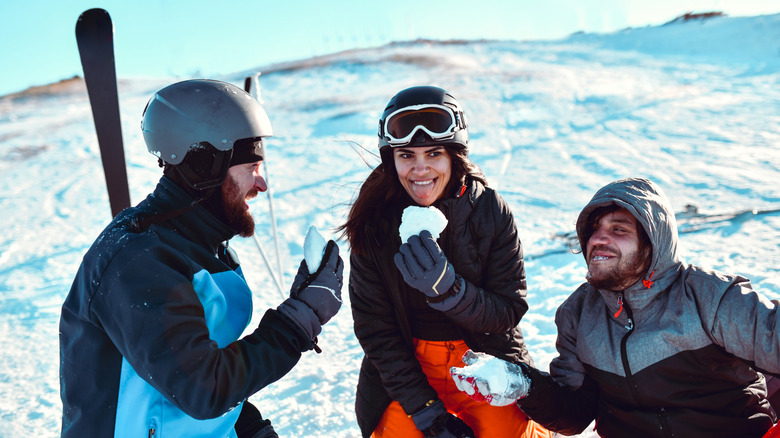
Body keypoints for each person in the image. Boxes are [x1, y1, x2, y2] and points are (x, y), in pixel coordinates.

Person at [59, 79, 344, 438]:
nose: (261, 184)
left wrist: (248, 428)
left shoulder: (204, 249)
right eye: (251, 168)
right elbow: (201, 387)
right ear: (204, 167)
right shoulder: (139, 261)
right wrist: (299, 319)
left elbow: (201, 367)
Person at [451, 177, 780, 437]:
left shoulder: (709, 297)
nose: (597, 239)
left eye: (618, 229)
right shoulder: (579, 314)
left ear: (653, 243)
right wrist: (524, 384)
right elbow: (574, 414)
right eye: (593, 230)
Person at [339, 85, 551, 438]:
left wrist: (451, 292)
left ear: (454, 155)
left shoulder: (489, 211)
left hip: (484, 358)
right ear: (392, 160)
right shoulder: (374, 223)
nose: (420, 169)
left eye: (434, 153)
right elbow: (376, 331)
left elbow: (508, 311)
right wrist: (427, 414)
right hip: (409, 370)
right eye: (406, 155)